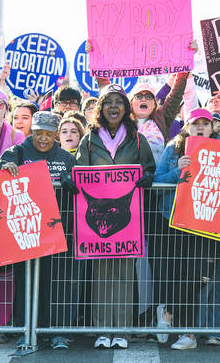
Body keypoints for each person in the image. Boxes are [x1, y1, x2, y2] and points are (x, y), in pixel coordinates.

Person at [75, 84, 155, 350]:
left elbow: (149, 168)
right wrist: (72, 180)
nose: (113, 107)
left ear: (125, 108)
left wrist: (147, 178)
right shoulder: (89, 139)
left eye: (119, 102)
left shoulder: (138, 139)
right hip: (98, 222)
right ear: (101, 108)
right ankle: (102, 330)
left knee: (123, 275)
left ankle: (121, 330)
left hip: (126, 219)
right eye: (108, 102)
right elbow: (79, 169)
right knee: (101, 276)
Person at [152, 108, 220, 350]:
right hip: (176, 220)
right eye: (195, 123)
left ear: (212, 127)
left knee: (199, 277)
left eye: (205, 124)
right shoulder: (173, 147)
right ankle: (188, 334)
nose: (200, 127)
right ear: (187, 127)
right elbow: (158, 181)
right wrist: (178, 170)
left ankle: (169, 312)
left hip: (208, 223)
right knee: (179, 275)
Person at [0, 111, 79, 350]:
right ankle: (26, 330)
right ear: (31, 131)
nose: (43, 138)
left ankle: (57, 332)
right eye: (38, 133)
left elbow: (79, 187)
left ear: (56, 134)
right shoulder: (17, 151)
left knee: (57, 283)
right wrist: (6, 167)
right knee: (25, 282)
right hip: (27, 231)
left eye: (48, 134)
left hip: (58, 231)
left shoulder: (65, 157)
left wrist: (69, 181)